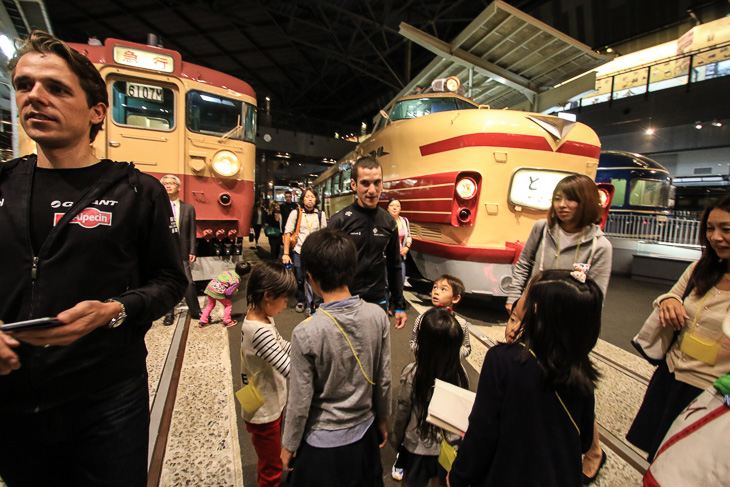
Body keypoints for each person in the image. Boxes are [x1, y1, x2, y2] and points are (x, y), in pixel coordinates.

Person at [0, 31, 188, 486]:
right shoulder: (2, 185)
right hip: (10, 395)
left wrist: (116, 310)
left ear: (97, 112)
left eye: (57, 89)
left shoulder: (137, 192)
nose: (35, 98)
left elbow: (169, 280)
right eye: (25, 85)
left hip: (108, 394)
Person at [448, 269, 603, 487]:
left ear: (537, 310)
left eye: (528, 293)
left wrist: (459, 476)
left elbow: (482, 433)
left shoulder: (502, 361)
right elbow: (585, 439)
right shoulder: (581, 368)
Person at [505, 173, 612, 482]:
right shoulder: (543, 229)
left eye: (571, 199)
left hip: (568, 331)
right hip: (532, 318)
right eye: (558, 198)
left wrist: (581, 338)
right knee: (527, 380)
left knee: (573, 388)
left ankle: (593, 450)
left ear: (587, 203)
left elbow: (596, 297)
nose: (562, 205)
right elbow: (524, 264)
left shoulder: (600, 246)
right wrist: (514, 302)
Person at [281, 228, 392, 486]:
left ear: (310, 278)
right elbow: (384, 379)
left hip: (321, 446)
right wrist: (383, 419)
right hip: (364, 436)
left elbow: (299, 400)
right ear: (351, 270)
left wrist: (289, 444)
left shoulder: (306, 331)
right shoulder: (377, 316)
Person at [626, 194, 730, 461]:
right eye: (710, 228)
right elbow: (673, 295)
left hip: (713, 392)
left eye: (726, 229)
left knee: (692, 466)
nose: (716, 237)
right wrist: (669, 300)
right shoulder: (700, 268)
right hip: (672, 378)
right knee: (659, 459)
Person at [392, 307, 468, 487]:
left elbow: (403, 409)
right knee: (440, 481)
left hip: (416, 444)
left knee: (410, 481)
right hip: (447, 446)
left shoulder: (413, 374)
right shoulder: (460, 374)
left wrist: (397, 437)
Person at [329, 157, 407, 329]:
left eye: (377, 182)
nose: (372, 190)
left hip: (377, 301)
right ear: (353, 185)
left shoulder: (388, 222)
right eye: (365, 183)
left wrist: (399, 304)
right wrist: (320, 304)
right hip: (344, 301)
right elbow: (326, 266)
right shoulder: (339, 221)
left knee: (375, 354)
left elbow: (394, 265)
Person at [240, 261, 297, 487]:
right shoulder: (259, 331)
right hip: (264, 408)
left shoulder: (258, 316)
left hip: (261, 397)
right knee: (271, 467)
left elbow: (281, 346)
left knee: (270, 457)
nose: (285, 305)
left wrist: (305, 347)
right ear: (268, 295)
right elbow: (289, 368)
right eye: (284, 300)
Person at [161, 174, 202, 324]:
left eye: (172, 183)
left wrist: (192, 250)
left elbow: (192, 231)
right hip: (164, 249)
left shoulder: (188, 208)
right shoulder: (158, 207)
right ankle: (168, 314)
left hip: (182, 249)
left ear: (178, 187)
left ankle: (196, 311)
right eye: (165, 183)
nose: (168, 186)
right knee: (167, 282)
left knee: (188, 281)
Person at [282, 187, 327, 314]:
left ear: (316, 200)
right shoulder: (295, 213)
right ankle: (300, 300)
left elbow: (324, 234)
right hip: (299, 252)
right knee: (299, 278)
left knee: (315, 278)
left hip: (315, 253)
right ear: (302, 199)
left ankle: (316, 302)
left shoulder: (320, 214)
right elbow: (287, 233)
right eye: (307, 196)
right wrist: (286, 253)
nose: (310, 199)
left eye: (312, 197)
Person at [409, 275, 471, 359]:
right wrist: (426, 351)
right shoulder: (422, 318)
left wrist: (450, 355)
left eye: (443, 289)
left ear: (455, 298)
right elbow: (413, 342)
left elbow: (466, 347)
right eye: (435, 287)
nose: (436, 292)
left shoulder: (460, 323)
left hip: (449, 368)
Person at [199, 261, 250, 327]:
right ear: (245, 274)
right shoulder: (236, 281)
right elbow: (228, 292)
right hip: (217, 292)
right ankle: (227, 321)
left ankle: (203, 321)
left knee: (210, 304)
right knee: (228, 305)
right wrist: (233, 293)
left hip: (210, 288)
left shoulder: (227, 272)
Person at [387, 198, 412, 286]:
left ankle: (396, 300)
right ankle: (387, 300)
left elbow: (408, 236)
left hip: (400, 257)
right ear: (387, 208)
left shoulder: (404, 221)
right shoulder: (383, 221)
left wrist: (407, 247)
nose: (395, 208)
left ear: (400, 209)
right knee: (387, 285)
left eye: (397, 206)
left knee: (400, 283)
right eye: (392, 206)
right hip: (386, 258)